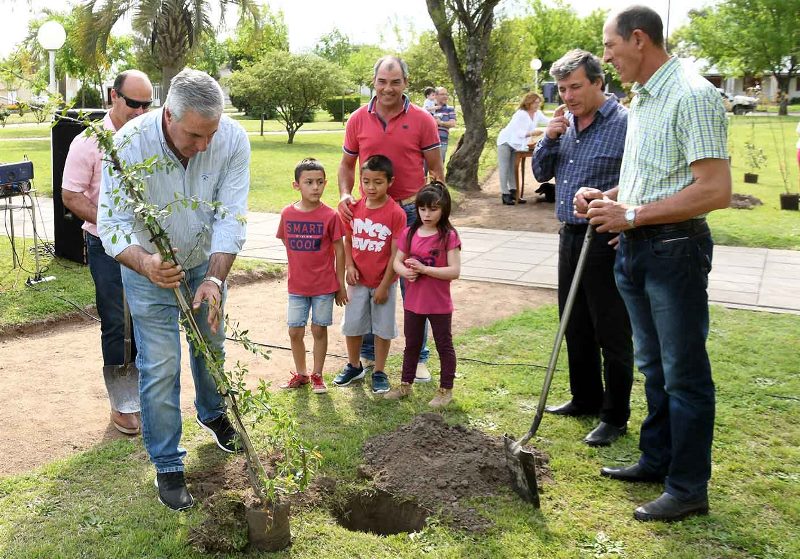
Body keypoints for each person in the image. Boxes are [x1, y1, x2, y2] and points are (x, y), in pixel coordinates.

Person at [576, 5, 731, 522]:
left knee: (684, 373)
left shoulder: (692, 93)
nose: (607, 58)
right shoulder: (644, 97)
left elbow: (714, 189)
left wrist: (633, 213)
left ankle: (688, 487)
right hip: (638, 246)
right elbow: (655, 177)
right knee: (653, 365)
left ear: (638, 38)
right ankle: (657, 460)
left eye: (609, 47)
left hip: (675, 251)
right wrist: (610, 199)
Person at [98, 68, 251, 512]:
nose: (204, 145)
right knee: (162, 363)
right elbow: (112, 223)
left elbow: (232, 216)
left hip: (205, 259)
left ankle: (214, 414)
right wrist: (146, 263)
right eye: (194, 136)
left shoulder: (232, 140)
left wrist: (215, 279)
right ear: (168, 116)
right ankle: (168, 463)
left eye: (211, 134)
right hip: (147, 270)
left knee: (211, 344)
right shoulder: (128, 145)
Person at [532, 50, 633, 447]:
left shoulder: (625, 123)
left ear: (597, 82)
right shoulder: (565, 124)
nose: (568, 96)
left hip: (606, 238)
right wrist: (550, 137)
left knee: (611, 328)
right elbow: (541, 174)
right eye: (562, 88)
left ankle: (614, 414)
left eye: (575, 86)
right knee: (574, 323)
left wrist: (625, 215)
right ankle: (585, 398)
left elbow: (641, 179)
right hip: (570, 235)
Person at [338, 55, 444, 384]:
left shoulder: (423, 119)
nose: (388, 88)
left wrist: (434, 209)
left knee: (416, 286)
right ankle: (368, 355)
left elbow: (436, 169)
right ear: (374, 82)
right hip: (369, 213)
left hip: (411, 212)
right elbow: (346, 166)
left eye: (395, 81)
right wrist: (345, 194)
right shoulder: (357, 119)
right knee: (369, 281)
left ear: (405, 84)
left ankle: (419, 357)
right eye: (382, 81)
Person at [62, 69, 154, 436]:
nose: (141, 110)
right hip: (104, 245)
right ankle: (123, 404)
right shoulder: (88, 143)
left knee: (146, 319)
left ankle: (146, 394)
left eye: (147, 104)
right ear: (113, 97)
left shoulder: (149, 138)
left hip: (147, 243)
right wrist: (112, 223)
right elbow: (71, 197)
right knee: (118, 321)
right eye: (134, 103)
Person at [384, 181, 461, 408]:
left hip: (439, 304)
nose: (427, 214)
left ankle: (445, 390)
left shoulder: (449, 236)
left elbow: (454, 271)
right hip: (413, 303)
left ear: (444, 209)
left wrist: (425, 269)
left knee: (443, 345)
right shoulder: (410, 232)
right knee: (412, 344)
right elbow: (396, 261)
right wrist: (406, 272)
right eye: (422, 208)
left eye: (433, 209)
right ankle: (405, 385)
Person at [334, 155, 406, 394]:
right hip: (358, 280)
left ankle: (379, 371)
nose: (371, 187)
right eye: (366, 181)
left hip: (384, 281)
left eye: (378, 182)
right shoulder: (354, 209)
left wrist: (385, 285)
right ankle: (354, 366)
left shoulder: (396, 213)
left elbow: (396, 253)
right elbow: (348, 240)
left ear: (390, 182)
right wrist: (350, 267)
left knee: (383, 328)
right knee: (353, 325)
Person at [276, 158, 347, 394]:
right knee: (294, 331)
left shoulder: (330, 215)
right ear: (296, 185)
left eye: (319, 182)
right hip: (297, 286)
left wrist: (340, 285)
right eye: (309, 182)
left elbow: (339, 249)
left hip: (324, 286)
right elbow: (286, 241)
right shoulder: (287, 213)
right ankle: (302, 373)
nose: (315, 187)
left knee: (318, 330)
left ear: (325, 183)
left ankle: (317, 375)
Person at [497, 92, 549, 205]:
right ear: (528, 103)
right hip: (506, 142)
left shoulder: (537, 113)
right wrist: (532, 133)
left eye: (538, 102)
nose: (537, 105)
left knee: (512, 168)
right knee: (504, 168)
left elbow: (548, 122)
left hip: (517, 145)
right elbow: (518, 132)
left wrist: (560, 119)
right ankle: (505, 194)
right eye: (535, 102)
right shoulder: (520, 114)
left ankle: (514, 193)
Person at [433, 87, 457, 164]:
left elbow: (453, 123)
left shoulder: (449, 109)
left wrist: (441, 123)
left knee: (439, 166)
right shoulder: (429, 107)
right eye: (442, 94)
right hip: (426, 142)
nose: (445, 96)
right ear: (435, 96)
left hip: (442, 142)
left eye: (446, 94)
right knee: (424, 167)